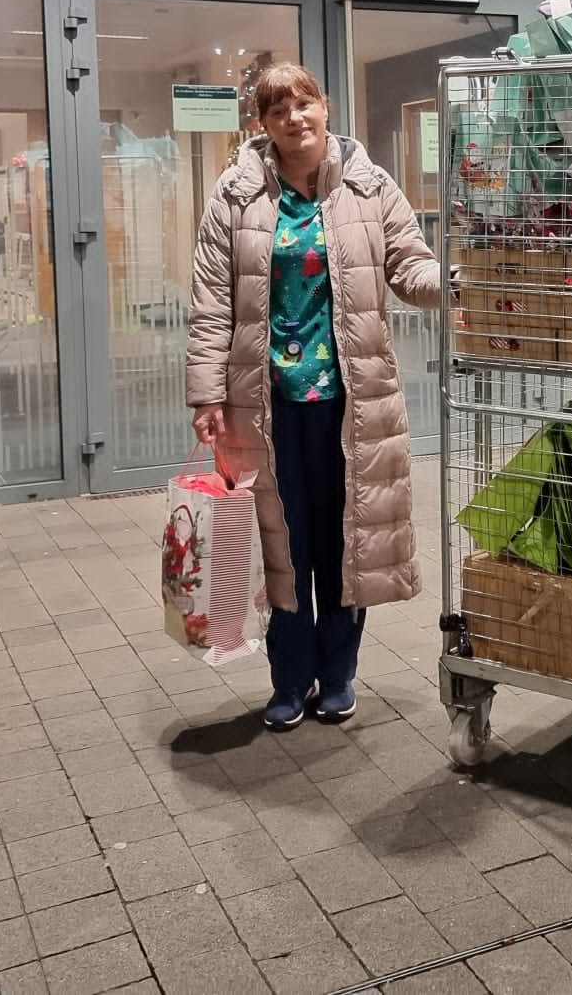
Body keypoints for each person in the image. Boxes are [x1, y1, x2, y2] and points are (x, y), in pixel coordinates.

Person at [186, 62, 443, 731]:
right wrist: (206, 393)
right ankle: (289, 678)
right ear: (262, 124)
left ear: (325, 107)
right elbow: (212, 302)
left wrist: (454, 280)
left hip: (351, 401)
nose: (295, 118)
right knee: (283, 545)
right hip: (264, 404)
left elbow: (407, 262)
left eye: (305, 103)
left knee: (344, 541)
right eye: (278, 110)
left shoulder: (370, 185)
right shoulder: (235, 195)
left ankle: (340, 673)